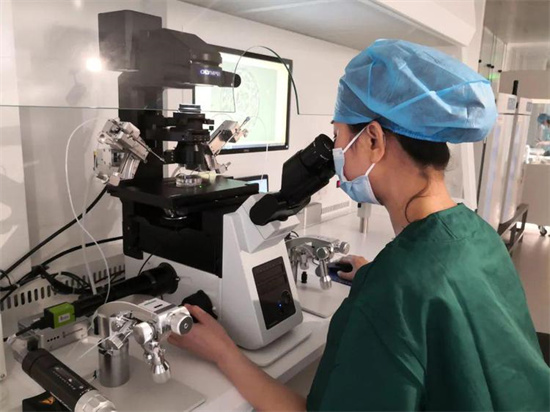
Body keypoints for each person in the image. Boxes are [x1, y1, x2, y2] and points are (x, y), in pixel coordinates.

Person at [169, 39, 550, 410]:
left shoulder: (394, 288)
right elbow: (447, 301)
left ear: (373, 139)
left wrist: (223, 352)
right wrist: (373, 275)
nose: (335, 153)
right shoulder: (477, 234)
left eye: (337, 136)